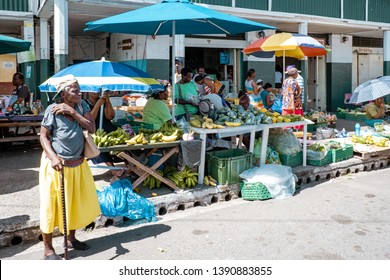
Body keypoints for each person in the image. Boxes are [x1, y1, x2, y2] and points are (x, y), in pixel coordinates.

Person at [39, 74, 101, 260]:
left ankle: (70, 239)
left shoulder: (83, 107)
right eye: (75, 90)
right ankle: (48, 249)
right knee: (51, 206)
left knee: (73, 204)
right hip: (56, 166)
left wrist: (73, 112)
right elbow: (43, 137)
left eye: (79, 89)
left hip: (78, 164)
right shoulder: (52, 109)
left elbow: (91, 128)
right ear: (64, 93)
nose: (79, 92)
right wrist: (53, 157)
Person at [86, 90, 124, 178]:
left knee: (123, 142)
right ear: (87, 92)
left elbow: (110, 116)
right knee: (99, 143)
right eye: (93, 90)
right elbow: (90, 120)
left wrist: (107, 101)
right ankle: (113, 169)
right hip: (94, 131)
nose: (95, 92)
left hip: (109, 129)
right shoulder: (84, 104)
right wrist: (98, 105)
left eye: (97, 90)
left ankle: (131, 164)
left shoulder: (103, 100)